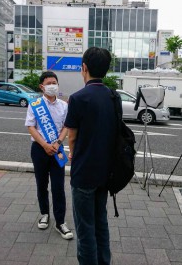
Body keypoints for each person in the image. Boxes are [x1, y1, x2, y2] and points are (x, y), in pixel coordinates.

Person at [64, 47, 118, 264]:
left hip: (84, 173)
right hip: (106, 172)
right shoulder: (114, 96)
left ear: (84, 68)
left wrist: (73, 155)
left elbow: (72, 139)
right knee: (100, 222)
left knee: (85, 228)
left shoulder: (78, 98)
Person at [25, 71, 73, 240]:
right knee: (41, 184)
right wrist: (45, 145)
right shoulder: (35, 104)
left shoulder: (64, 105)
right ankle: (44, 213)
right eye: (49, 83)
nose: (53, 85)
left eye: (55, 82)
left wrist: (58, 143)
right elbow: (31, 127)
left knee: (59, 186)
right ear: (42, 86)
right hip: (39, 149)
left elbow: (67, 126)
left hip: (57, 149)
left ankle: (60, 222)